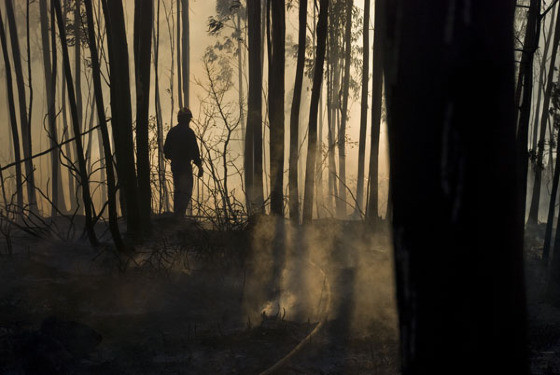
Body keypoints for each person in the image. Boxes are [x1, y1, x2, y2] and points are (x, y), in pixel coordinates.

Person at [164, 107, 203, 218]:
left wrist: (174, 157)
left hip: (175, 165)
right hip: (185, 165)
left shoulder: (172, 132)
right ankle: (180, 215)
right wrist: (199, 166)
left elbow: (166, 151)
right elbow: (195, 151)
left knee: (178, 189)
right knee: (186, 189)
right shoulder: (189, 132)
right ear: (187, 119)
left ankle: (177, 215)